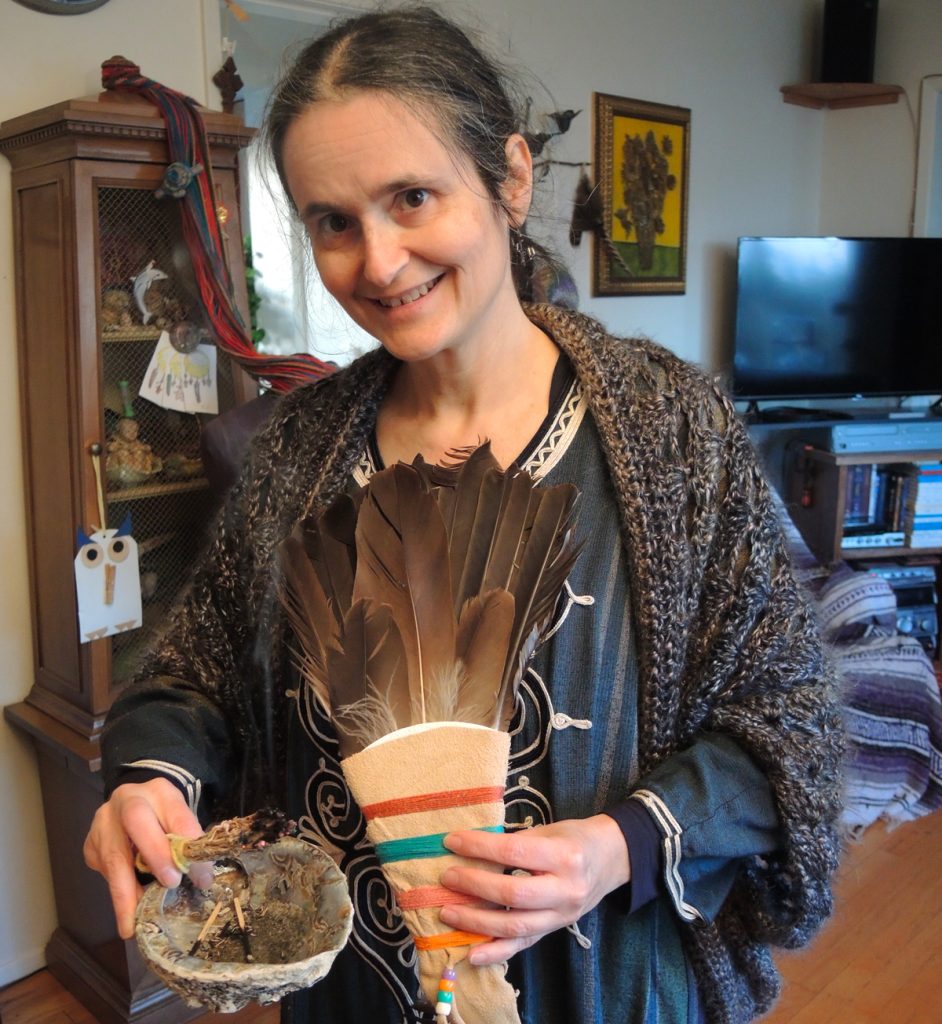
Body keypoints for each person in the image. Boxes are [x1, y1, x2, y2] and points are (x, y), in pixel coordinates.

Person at [84, 7, 844, 1022]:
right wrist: (151, 778)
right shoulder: (295, 461)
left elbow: (788, 721)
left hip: (609, 985)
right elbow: (193, 677)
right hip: (360, 996)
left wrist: (613, 845)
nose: (381, 261)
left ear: (511, 178)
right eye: (334, 222)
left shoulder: (671, 433)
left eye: (413, 197)